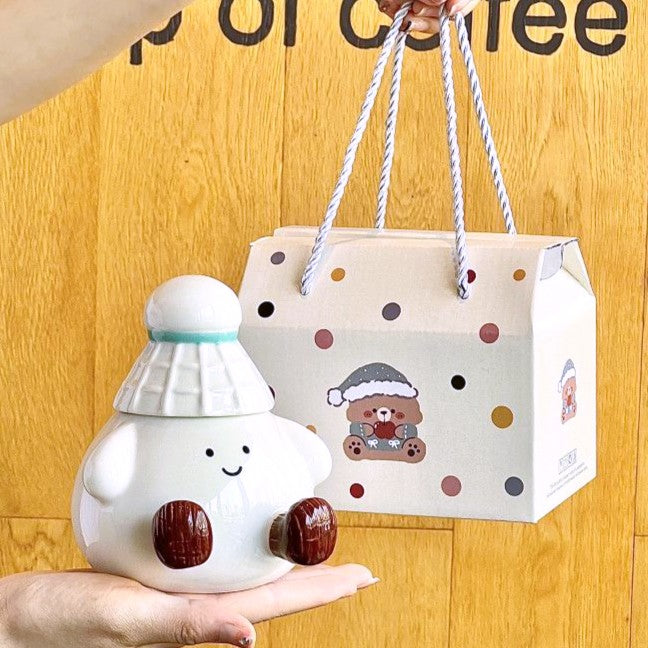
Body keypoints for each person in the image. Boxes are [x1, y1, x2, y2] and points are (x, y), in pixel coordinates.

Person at [0, 1, 481, 646]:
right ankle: (201, 537)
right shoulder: (144, 429)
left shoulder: (227, 414)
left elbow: (304, 452)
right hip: (166, 540)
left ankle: (289, 529)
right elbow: (106, 475)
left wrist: (17, 617)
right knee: (184, 522)